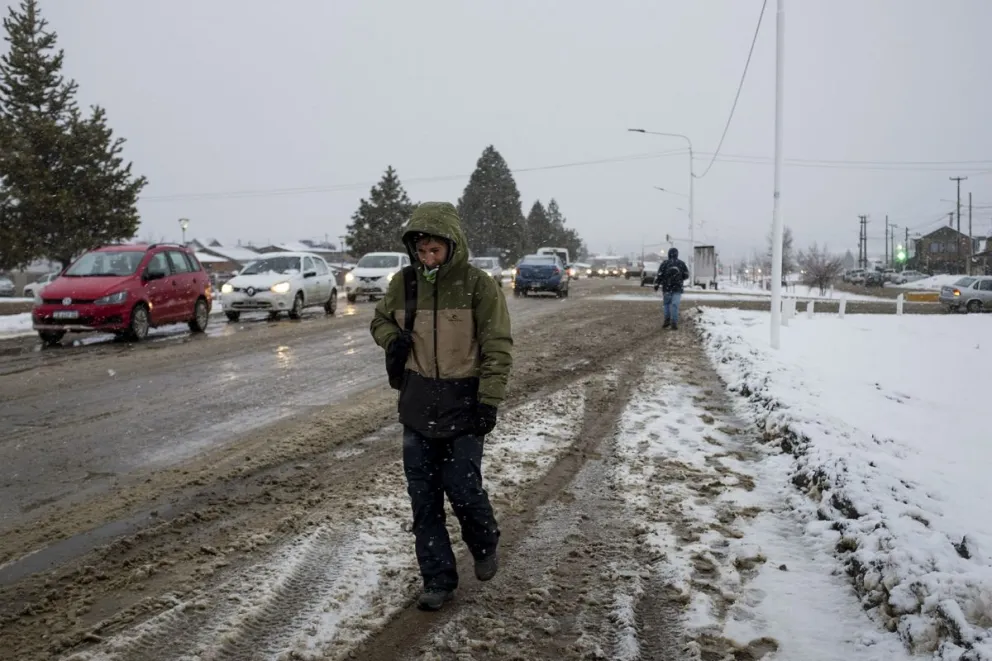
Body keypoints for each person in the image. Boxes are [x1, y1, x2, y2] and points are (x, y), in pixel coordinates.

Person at [369, 201, 513, 611]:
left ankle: (483, 541)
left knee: (463, 489)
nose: (427, 258)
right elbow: (379, 320)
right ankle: (437, 579)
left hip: (462, 406)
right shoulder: (404, 284)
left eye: (435, 250)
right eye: (421, 251)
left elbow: (498, 346)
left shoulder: (478, 286)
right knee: (424, 501)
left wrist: (489, 401)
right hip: (416, 406)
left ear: (453, 245)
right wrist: (392, 339)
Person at [654, 247, 690, 330]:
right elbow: (686, 275)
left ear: (669, 254)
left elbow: (659, 275)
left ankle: (667, 320)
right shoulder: (681, 263)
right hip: (677, 288)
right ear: (677, 254)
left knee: (666, 304)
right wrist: (680, 278)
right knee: (675, 305)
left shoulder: (664, 263)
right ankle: (674, 322)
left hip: (666, 287)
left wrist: (657, 284)